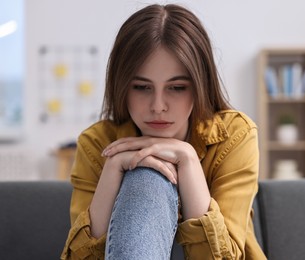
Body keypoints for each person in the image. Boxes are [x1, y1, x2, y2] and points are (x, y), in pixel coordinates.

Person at [61, 3, 266, 260]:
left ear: (200, 85)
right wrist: (113, 169)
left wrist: (189, 161)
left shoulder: (235, 135)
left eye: (177, 87)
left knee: (147, 176)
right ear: (121, 86)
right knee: (144, 174)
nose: (158, 106)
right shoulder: (97, 143)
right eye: (141, 87)